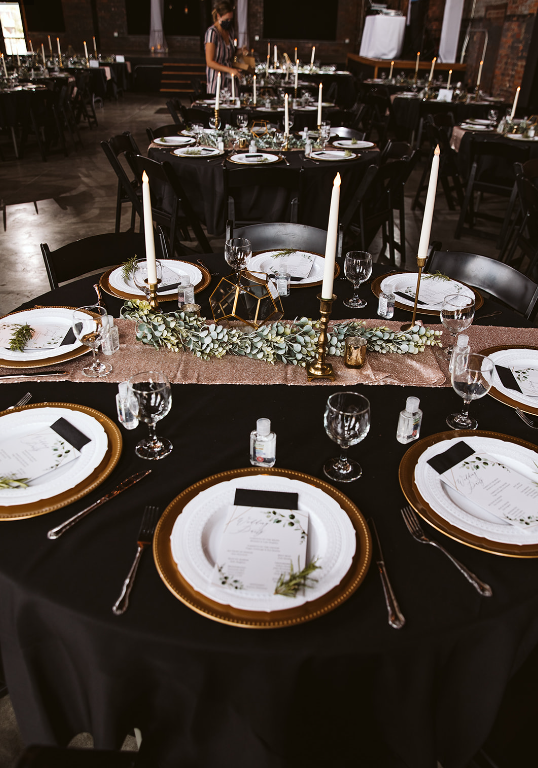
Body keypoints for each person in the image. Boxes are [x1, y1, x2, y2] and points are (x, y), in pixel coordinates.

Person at [204, 1, 242, 96]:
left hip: (230, 81)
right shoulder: (212, 33)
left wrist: (240, 51)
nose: (228, 22)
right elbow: (210, 62)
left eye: (230, 20)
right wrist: (229, 70)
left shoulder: (230, 31)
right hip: (217, 80)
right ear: (218, 16)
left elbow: (229, 54)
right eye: (226, 19)